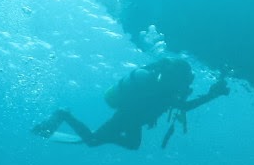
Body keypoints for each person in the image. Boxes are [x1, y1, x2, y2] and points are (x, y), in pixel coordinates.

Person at [32, 55, 230, 150]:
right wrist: (212, 95)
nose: (186, 83)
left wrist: (211, 94)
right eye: (185, 78)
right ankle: (63, 114)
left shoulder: (165, 88)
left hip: (134, 120)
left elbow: (179, 103)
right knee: (92, 141)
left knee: (133, 145)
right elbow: (185, 106)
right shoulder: (163, 91)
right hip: (127, 118)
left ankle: (101, 133)